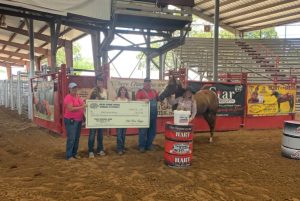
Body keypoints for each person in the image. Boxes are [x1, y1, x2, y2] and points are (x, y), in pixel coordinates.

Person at [135, 78, 159, 152]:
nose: (148, 85)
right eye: (146, 83)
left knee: (152, 131)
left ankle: (149, 145)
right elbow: (136, 101)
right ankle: (141, 146)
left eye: (149, 83)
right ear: (144, 84)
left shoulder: (154, 92)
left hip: (153, 115)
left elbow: (159, 99)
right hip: (143, 115)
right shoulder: (140, 92)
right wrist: (143, 100)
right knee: (143, 131)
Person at [87, 75, 108, 158]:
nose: (100, 83)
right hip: (94, 115)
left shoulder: (105, 91)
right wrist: (93, 101)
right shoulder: (93, 90)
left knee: (100, 134)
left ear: (103, 82)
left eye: (101, 81)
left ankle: (100, 149)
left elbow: (109, 100)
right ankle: (91, 151)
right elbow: (87, 99)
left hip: (102, 115)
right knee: (92, 134)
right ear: (96, 82)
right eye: (98, 81)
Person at [63, 82, 85, 160]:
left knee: (76, 137)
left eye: (75, 88)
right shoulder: (68, 97)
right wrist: (82, 106)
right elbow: (70, 108)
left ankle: (74, 153)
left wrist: (84, 105)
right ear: (69, 89)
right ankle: (69, 155)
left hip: (78, 120)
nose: (75, 89)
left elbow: (84, 104)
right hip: (71, 120)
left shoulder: (78, 97)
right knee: (72, 138)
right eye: (73, 88)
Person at [115, 86, 130, 155]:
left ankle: (122, 147)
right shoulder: (116, 99)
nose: (123, 91)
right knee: (119, 135)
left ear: (126, 92)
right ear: (119, 91)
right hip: (118, 120)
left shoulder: (128, 100)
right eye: (121, 90)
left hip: (125, 120)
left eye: (124, 90)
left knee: (123, 135)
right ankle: (119, 149)